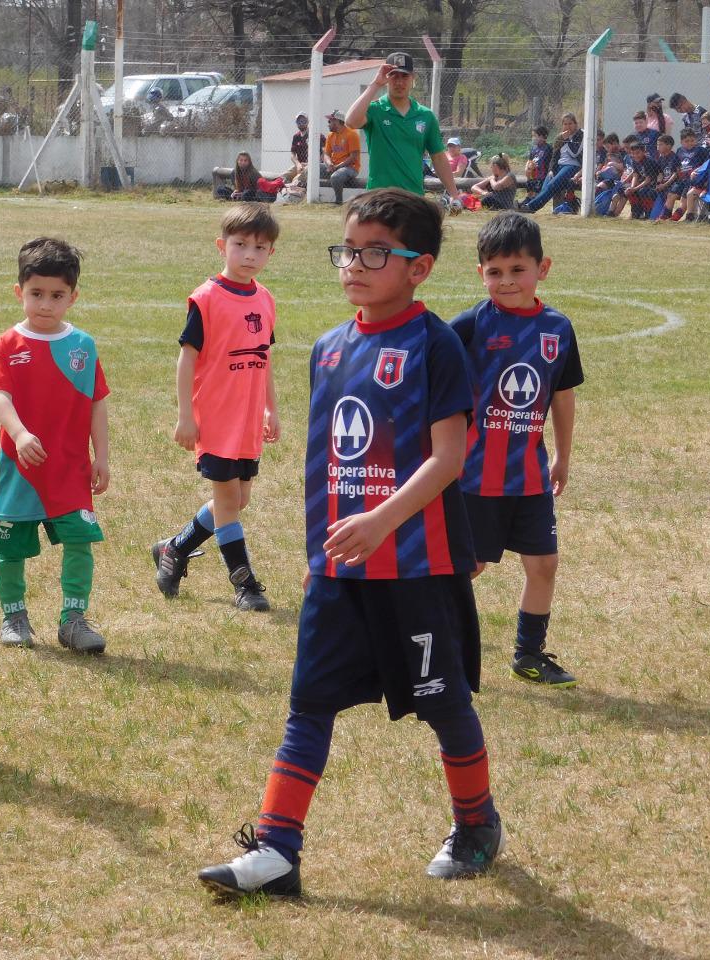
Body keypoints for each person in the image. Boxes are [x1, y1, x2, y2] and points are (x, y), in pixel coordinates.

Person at [197, 189, 503, 899]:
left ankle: (477, 823)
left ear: (419, 267)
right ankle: (277, 850)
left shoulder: (436, 345)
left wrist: (382, 522)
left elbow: (448, 458)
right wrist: (317, 557)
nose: (354, 266)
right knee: (309, 703)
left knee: (443, 702)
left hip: (415, 567)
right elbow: (324, 466)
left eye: (375, 254)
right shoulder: (330, 348)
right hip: (339, 572)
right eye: (348, 250)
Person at [450, 212, 584, 688]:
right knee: (469, 566)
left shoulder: (558, 329)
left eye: (517, 270)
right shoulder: (469, 326)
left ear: (542, 268)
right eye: (495, 272)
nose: (506, 281)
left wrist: (562, 456)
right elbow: (434, 384)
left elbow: (562, 395)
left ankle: (529, 655)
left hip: (529, 475)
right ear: (480, 273)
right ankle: (430, 640)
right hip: (474, 477)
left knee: (544, 563)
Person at [0, 238, 110, 653]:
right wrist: (19, 434)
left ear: (73, 297)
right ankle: (14, 616)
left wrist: (102, 456)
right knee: (9, 546)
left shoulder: (83, 346)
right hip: (21, 468)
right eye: (36, 294)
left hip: (70, 470)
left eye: (57, 295)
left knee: (79, 541)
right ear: (19, 291)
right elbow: (0, 395)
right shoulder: (7, 344)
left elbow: (97, 403)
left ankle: (73, 620)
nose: (46, 304)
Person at [153, 203, 279, 611]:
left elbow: (264, 359)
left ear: (271, 252)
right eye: (240, 245)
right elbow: (186, 358)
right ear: (222, 246)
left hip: (247, 419)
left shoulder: (265, 299)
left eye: (259, 248)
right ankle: (244, 583)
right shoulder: (207, 298)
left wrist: (270, 409)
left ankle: (174, 548)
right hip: (217, 418)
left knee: (238, 500)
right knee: (227, 502)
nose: (249, 255)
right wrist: (185, 416)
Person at [344, 52, 463, 210]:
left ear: (413, 77)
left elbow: (439, 158)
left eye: (404, 76)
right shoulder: (375, 109)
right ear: (387, 78)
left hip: (413, 198)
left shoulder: (425, 116)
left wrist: (454, 194)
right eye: (394, 76)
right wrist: (376, 84)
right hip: (379, 198)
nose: (399, 82)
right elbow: (350, 122)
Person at [518, 113, 582, 213]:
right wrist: (551, 170)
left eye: (570, 123)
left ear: (575, 124)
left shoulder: (580, 134)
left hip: (572, 165)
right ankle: (528, 206)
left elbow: (575, 153)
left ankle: (530, 207)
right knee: (545, 187)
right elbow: (554, 156)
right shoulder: (560, 136)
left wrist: (567, 139)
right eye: (565, 124)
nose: (568, 126)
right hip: (559, 166)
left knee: (552, 185)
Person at [668, 128, 709, 222]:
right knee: (672, 195)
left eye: (692, 140)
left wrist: (697, 172)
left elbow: (706, 164)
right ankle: (666, 216)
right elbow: (676, 166)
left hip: (694, 181)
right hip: (682, 180)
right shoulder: (680, 150)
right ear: (681, 142)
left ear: (696, 140)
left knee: (684, 201)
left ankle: (677, 218)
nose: (690, 143)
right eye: (686, 141)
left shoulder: (701, 150)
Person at [322, 109, 361, 204]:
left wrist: (337, 167)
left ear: (337, 122)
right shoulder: (330, 135)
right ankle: (303, 197)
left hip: (350, 168)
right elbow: (326, 154)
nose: (328, 124)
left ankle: (338, 201)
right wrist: (329, 164)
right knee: (310, 169)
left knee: (336, 177)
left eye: (330, 121)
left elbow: (353, 157)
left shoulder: (352, 134)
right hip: (334, 166)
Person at [285, 113, 322, 184]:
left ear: (307, 122)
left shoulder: (315, 135)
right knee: (285, 175)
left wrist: (310, 164)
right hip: (300, 165)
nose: (301, 123)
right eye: (299, 122)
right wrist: (298, 164)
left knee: (297, 179)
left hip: (311, 166)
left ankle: (293, 185)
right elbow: (292, 154)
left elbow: (324, 153)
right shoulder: (296, 136)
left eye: (303, 121)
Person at [525, 126, 551, 196]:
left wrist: (536, 166)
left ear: (541, 136)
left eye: (534, 136)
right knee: (530, 187)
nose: (533, 138)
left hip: (542, 176)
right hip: (532, 174)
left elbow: (548, 163)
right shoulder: (534, 148)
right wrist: (527, 168)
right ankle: (529, 199)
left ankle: (534, 200)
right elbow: (530, 159)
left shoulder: (548, 148)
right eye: (532, 136)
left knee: (536, 193)